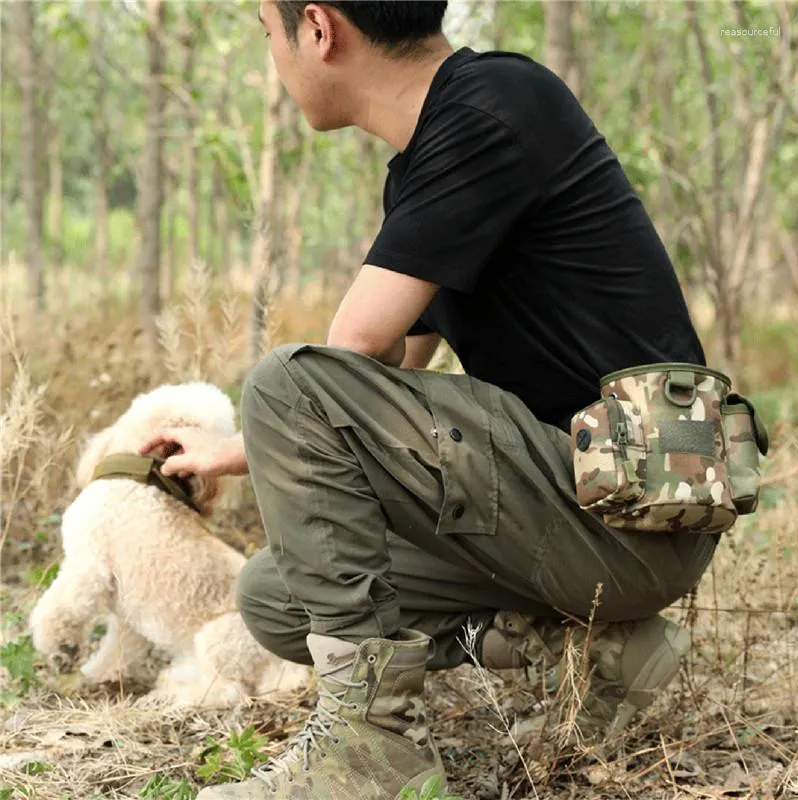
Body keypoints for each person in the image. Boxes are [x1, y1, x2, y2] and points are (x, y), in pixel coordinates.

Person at [141, 2, 718, 797]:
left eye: (268, 36)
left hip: (635, 510)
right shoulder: (431, 159)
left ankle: (370, 752)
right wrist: (231, 453)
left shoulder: (496, 104)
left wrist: (260, 432)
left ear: (318, 28)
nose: (272, 61)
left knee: (288, 377)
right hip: (565, 512)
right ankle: (591, 652)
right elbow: (387, 377)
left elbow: (350, 356)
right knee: (278, 599)